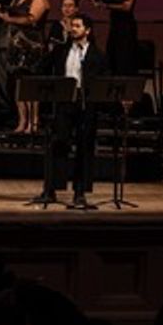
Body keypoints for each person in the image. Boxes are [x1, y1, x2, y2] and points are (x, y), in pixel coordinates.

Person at [36, 14, 108, 208]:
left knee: (84, 149)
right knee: (58, 144)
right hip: (64, 102)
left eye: (77, 26)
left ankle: (80, 192)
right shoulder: (61, 50)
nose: (73, 29)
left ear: (87, 30)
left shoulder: (98, 55)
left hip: (86, 105)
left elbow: (104, 82)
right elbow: (41, 67)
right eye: (71, 26)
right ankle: (51, 189)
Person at [0, 0, 52, 133]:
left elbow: (32, 19)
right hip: (16, 46)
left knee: (30, 85)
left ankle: (34, 122)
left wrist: (9, 18)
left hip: (31, 46)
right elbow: (10, 13)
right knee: (17, 84)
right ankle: (22, 121)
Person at [89, 0, 139, 76]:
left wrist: (105, 6)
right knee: (112, 57)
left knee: (123, 59)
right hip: (116, 25)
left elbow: (127, 6)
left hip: (125, 27)